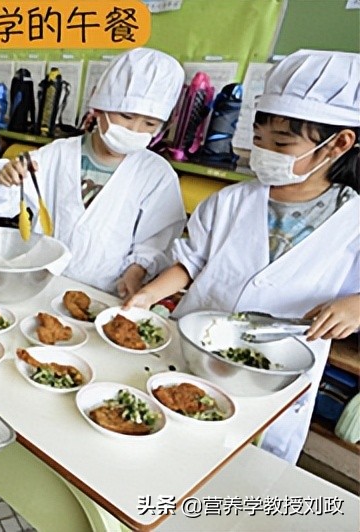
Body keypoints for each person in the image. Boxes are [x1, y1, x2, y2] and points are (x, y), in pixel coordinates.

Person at [124, 49, 360, 463]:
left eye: (281, 143)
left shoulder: (353, 217)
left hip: (277, 377)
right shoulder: (230, 202)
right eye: (258, 139)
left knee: (238, 477)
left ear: (337, 144)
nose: (264, 151)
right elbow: (190, 263)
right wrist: (144, 298)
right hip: (193, 353)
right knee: (166, 454)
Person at [0, 48, 187, 297]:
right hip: (42, 281)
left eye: (150, 124)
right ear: (99, 107)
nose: (135, 128)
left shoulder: (157, 175)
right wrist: (7, 178)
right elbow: (3, 205)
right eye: (127, 115)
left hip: (104, 293)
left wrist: (136, 272)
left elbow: (155, 240)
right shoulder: (57, 155)